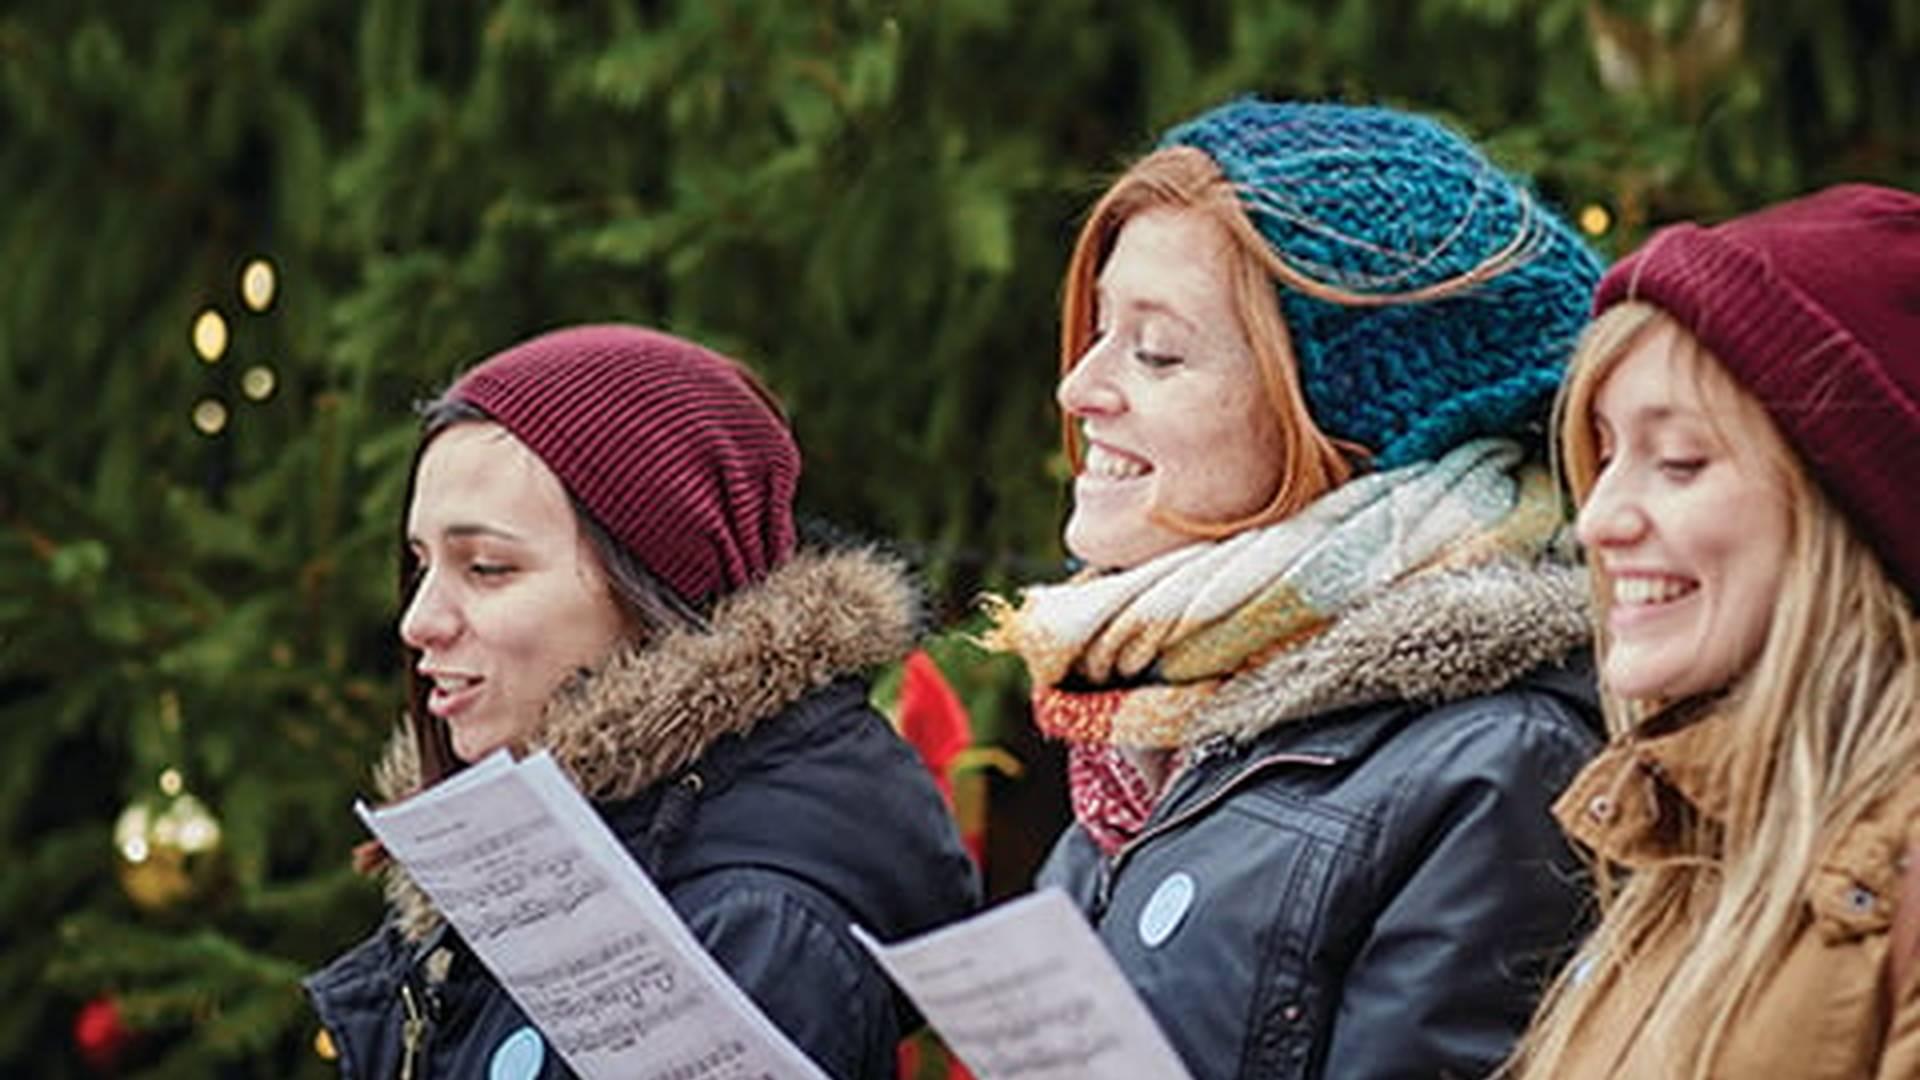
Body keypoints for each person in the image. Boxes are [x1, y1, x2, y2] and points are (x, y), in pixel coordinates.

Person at [984, 98, 1607, 1078]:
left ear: (1342, 426)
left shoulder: (1502, 767)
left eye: (1156, 351)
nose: (1079, 389)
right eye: (1101, 332)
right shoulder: (1174, 703)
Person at [305, 324, 980, 1079]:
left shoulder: (750, 929)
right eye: (421, 565)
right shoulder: (549, 846)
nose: (418, 621)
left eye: (487, 567)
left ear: (655, 583)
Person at [1508, 185, 1920, 1077]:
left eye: (1680, 461)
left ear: (1849, 504)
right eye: (1607, 455)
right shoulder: (1674, 854)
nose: (1599, 520)